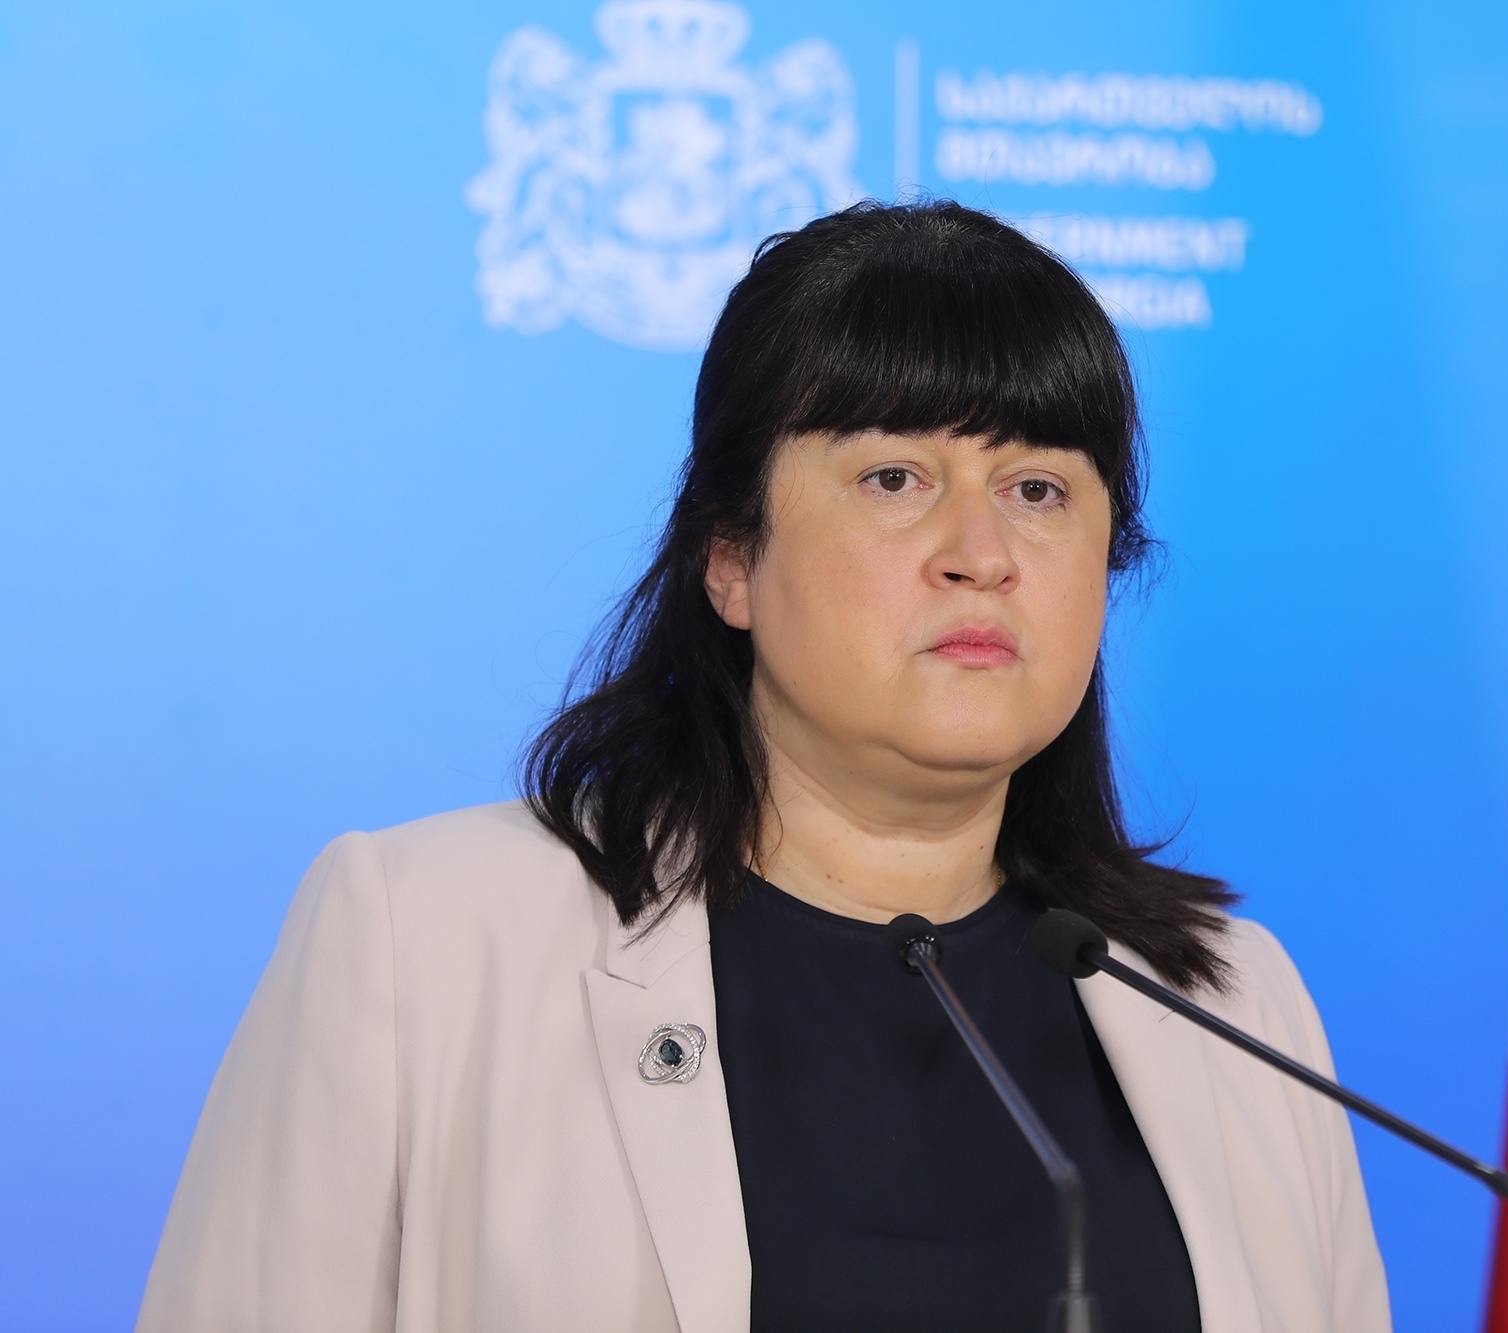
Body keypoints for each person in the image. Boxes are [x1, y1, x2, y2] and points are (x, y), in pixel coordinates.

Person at [135, 201, 1390, 1333]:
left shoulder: (1235, 1006)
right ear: (730, 558)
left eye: (1037, 490)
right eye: (894, 477)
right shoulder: (423, 945)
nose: (980, 551)